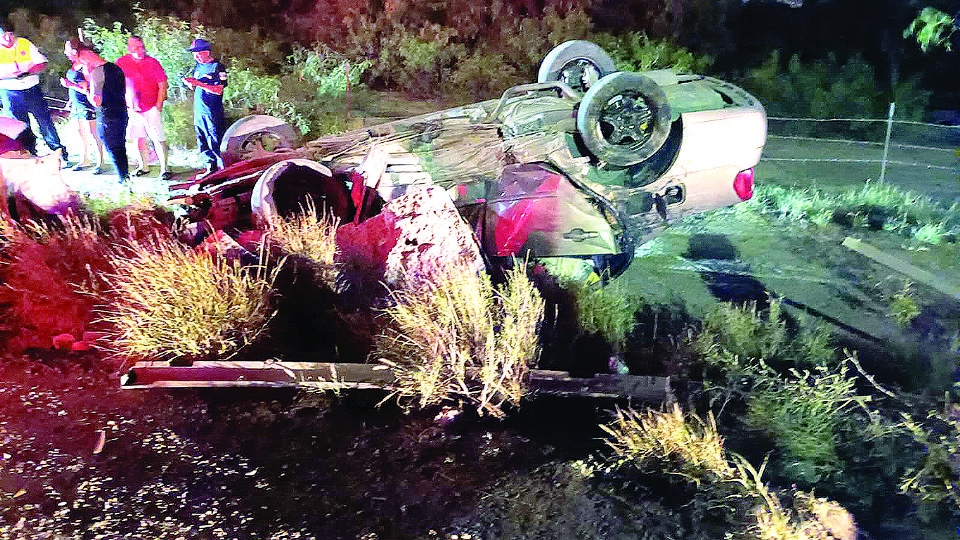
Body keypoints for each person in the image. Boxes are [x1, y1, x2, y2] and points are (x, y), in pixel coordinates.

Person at [64, 38, 129, 184]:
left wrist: (85, 89)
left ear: (79, 53)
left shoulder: (97, 72)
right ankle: (125, 177)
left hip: (106, 116)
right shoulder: (115, 67)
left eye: (69, 53)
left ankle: (123, 181)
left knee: (113, 149)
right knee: (120, 147)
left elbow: (96, 101)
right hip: (121, 112)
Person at [0, 22, 67, 162]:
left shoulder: (24, 43)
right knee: (21, 127)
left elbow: (41, 63)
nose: (8, 39)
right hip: (10, 93)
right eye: (4, 35)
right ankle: (28, 156)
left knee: (45, 122)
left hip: (32, 90)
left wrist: (27, 72)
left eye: (10, 34)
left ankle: (59, 153)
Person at [116, 35, 171, 180]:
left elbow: (162, 84)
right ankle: (143, 166)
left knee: (158, 138)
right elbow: (117, 83)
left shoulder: (152, 62)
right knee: (138, 138)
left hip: (151, 106)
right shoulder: (122, 62)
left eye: (141, 47)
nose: (140, 50)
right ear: (129, 48)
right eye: (136, 47)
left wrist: (159, 105)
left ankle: (165, 168)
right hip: (133, 108)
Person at [182, 38, 226, 176]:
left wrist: (198, 83)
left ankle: (223, 169)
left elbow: (219, 90)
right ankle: (210, 168)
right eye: (194, 53)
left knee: (215, 140)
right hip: (199, 110)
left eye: (199, 53)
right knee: (202, 140)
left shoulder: (218, 67)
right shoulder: (198, 65)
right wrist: (190, 83)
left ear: (207, 52)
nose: (196, 56)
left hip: (212, 111)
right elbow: (197, 84)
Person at [60, 61, 104, 173]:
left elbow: (86, 90)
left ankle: (100, 162)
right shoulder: (73, 66)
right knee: (80, 132)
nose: (66, 53)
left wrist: (70, 85)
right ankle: (84, 160)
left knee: (93, 133)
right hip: (76, 105)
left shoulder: (85, 67)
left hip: (86, 105)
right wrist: (71, 100)